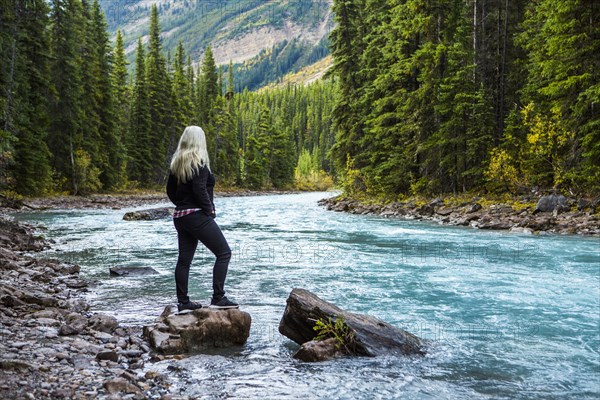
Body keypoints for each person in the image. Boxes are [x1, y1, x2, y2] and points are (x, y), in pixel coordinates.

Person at [166, 126, 238, 311]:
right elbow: (199, 189)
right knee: (224, 253)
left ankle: (183, 303)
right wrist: (210, 210)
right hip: (197, 215)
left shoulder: (177, 164)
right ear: (200, 141)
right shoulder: (199, 163)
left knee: (184, 261)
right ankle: (218, 298)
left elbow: (170, 192)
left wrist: (182, 204)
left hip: (180, 217)